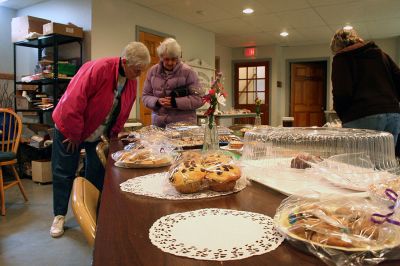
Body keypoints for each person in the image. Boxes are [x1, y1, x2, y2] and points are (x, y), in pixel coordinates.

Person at [49, 42, 150, 237]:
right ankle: (59, 215)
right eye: (137, 70)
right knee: (64, 171)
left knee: (96, 170)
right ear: (125, 62)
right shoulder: (99, 68)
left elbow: (123, 109)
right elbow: (73, 101)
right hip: (70, 126)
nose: (139, 75)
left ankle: (93, 213)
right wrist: (73, 133)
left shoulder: (131, 79)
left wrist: (113, 134)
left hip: (96, 130)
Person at [330, 28, 400, 145]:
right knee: (386, 161)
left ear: (338, 47)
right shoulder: (380, 54)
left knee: (358, 161)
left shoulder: (342, 58)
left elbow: (342, 93)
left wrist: (345, 117)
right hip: (393, 114)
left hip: (362, 115)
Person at [142, 38, 203, 127]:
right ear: (161, 57)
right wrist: (157, 102)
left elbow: (200, 99)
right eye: (167, 59)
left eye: (174, 59)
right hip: (159, 126)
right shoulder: (152, 71)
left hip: (183, 126)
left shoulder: (188, 72)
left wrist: (176, 102)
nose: (170, 63)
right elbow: (145, 96)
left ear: (178, 57)